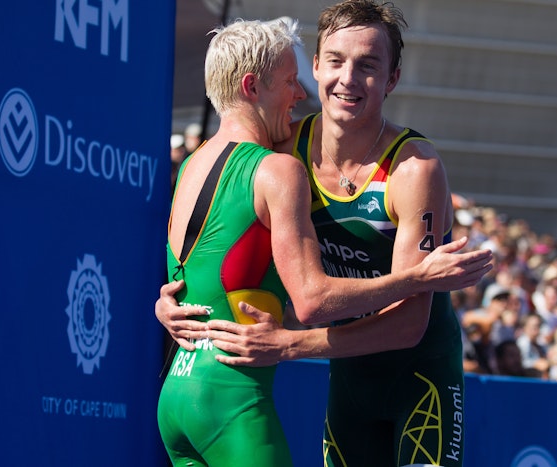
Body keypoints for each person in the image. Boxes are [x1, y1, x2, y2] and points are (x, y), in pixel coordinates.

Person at [157, 2, 491, 466]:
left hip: (421, 379)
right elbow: (218, 211)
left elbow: (407, 325)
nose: (348, 79)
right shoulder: (283, 147)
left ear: (392, 79)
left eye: (368, 66)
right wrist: (175, 298)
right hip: (347, 373)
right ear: (314, 67)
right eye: (335, 60)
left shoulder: (414, 169)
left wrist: (289, 344)